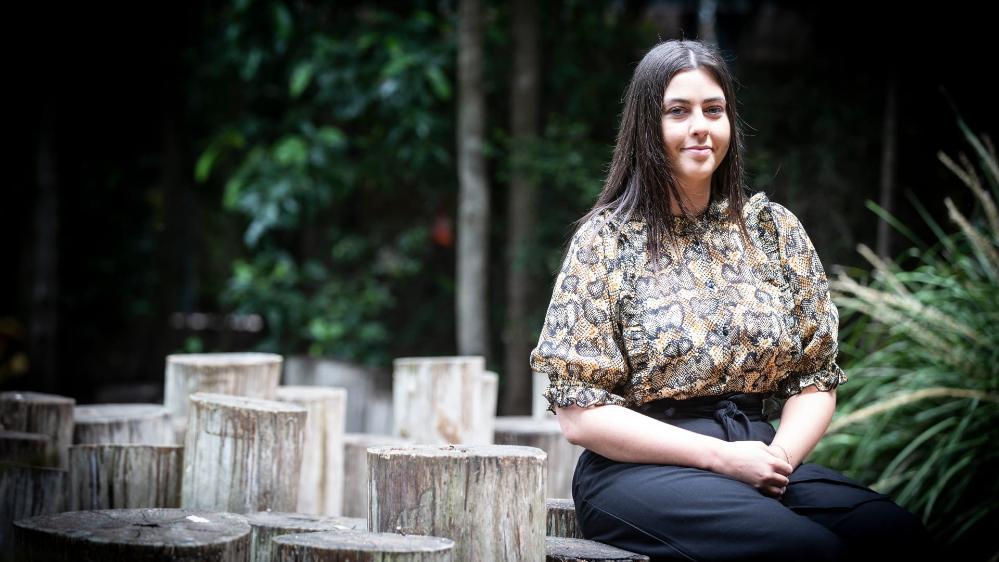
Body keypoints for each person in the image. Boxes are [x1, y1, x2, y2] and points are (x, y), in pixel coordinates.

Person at [529, 39, 938, 562]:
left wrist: (777, 460)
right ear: (646, 129)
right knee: (804, 551)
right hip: (639, 471)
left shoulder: (773, 231)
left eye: (713, 110)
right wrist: (721, 459)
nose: (699, 125)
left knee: (895, 534)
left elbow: (814, 378)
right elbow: (580, 416)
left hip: (760, 452)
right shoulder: (606, 241)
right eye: (678, 111)